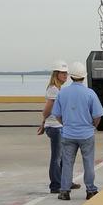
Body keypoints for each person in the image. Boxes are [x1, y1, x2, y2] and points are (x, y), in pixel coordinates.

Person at [53, 62, 103, 200]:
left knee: (67, 163)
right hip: (86, 133)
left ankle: (64, 191)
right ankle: (90, 190)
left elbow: (56, 114)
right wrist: (93, 126)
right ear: (84, 77)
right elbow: (98, 115)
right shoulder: (90, 93)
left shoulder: (62, 93)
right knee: (88, 162)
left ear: (71, 76)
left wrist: (66, 124)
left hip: (68, 133)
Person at [37, 61, 81, 195]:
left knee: (63, 157)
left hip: (59, 126)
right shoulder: (54, 89)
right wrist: (44, 121)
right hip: (55, 127)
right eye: (63, 73)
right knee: (57, 157)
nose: (65, 75)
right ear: (56, 74)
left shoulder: (58, 89)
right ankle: (55, 185)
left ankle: (65, 181)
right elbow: (48, 109)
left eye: (66, 73)